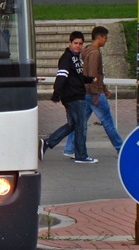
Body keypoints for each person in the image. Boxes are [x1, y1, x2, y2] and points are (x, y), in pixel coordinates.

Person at [62, 25, 125, 156]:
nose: (106, 41)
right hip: (93, 93)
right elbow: (94, 74)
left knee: (80, 122)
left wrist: (104, 89)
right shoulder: (95, 53)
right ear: (99, 37)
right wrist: (97, 93)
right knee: (108, 122)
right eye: (105, 38)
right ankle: (121, 148)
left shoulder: (87, 51)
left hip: (86, 92)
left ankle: (69, 148)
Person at [40, 31, 97, 163]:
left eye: (80, 44)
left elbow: (76, 77)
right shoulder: (67, 58)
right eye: (75, 43)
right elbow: (62, 76)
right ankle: (81, 155)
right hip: (74, 97)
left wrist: (89, 79)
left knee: (73, 124)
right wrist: (56, 93)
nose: (78, 46)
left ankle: (47, 143)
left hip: (73, 95)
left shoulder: (75, 58)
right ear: (70, 43)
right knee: (81, 125)